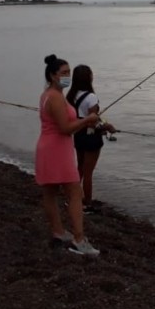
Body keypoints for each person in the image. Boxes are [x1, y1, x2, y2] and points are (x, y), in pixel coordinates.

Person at [35, 54, 100, 256]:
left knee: (51, 192)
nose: (67, 76)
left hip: (49, 147)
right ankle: (78, 239)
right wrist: (88, 120)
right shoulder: (54, 97)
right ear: (53, 76)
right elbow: (65, 128)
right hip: (56, 149)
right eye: (63, 73)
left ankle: (58, 231)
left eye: (69, 72)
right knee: (74, 192)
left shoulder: (48, 94)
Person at [66, 64, 116, 213]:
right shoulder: (91, 96)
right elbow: (94, 121)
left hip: (78, 135)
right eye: (91, 74)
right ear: (88, 78)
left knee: (79, 169)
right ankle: (87, 204)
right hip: (91, 138)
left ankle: (72, 199)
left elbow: (81, 118)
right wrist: (108, 127)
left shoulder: (70, 95)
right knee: (88, 173)